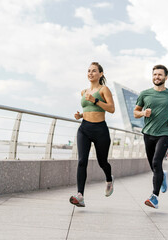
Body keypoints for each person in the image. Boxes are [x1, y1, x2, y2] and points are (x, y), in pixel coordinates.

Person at [134, 64, 168, 209]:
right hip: (148, 133)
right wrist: (143, 113)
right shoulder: (144, 94)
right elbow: (136, 112)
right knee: (154, 166)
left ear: (166, 77)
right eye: (155, 74)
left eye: (160, 75)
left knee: (156, 162)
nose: (157, 77)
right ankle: (163, 176)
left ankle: (154, 197)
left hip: (165, 133)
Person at [69, 62, 115, 207]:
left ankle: (109, 179)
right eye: (88, 71)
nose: (90, 73)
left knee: (102, 162)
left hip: (100, 130)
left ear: (100, 74)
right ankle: (80, 195)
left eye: (94, 71)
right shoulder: (83, 92)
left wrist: (95, 100)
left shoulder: (104, 89)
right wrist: (81, 115)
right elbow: (90, 110)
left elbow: (111, 109)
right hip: (84, 129)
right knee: (82, 161)